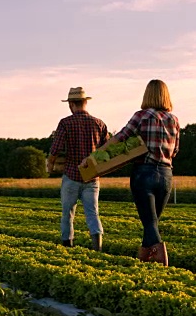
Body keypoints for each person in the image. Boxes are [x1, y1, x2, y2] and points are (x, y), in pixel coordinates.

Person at [93, 79, 179, 265]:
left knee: (149, 223)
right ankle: (143, 259)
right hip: (166, 175)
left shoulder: (141, 116)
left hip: (144, 174)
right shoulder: (173, 119)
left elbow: (121, 136)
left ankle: (162, 260)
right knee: (151, 222)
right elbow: (176, 150)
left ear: (147, 95)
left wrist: (97, 155)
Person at [47, 87, 109, 251]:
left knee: (68, 213)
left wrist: (50, 164)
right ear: (85, 102)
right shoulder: (99, 123)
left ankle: (68, 246)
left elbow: (56, 148)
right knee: (93, 213)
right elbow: (107, 150)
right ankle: (98, 247)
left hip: (71, 176)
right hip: (92, 178)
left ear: (71, 105)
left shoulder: (65, 123)